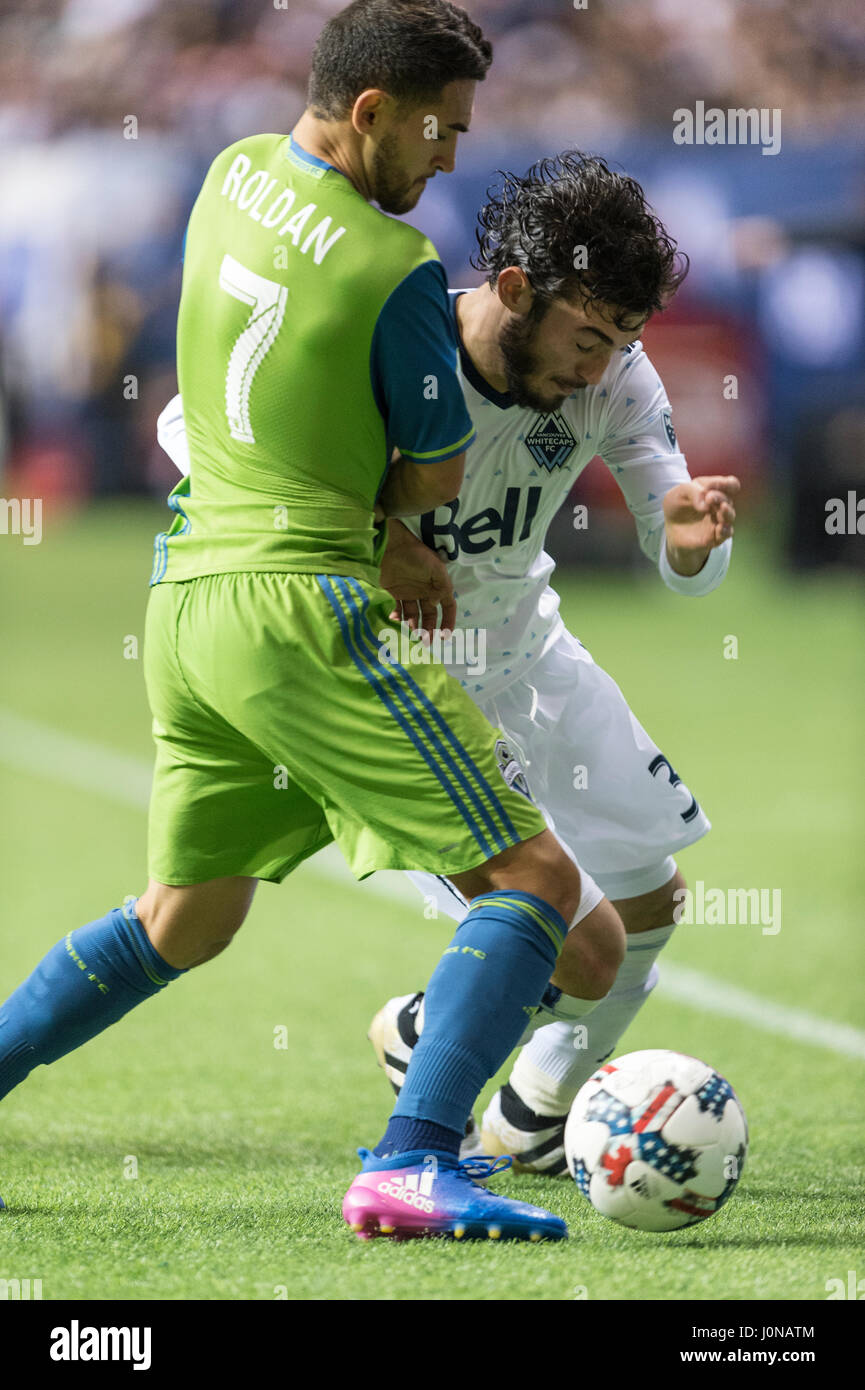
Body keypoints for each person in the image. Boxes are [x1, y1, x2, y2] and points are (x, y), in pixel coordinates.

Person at [0, 4, 624, 1244]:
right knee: (538, 878)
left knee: (187, 914)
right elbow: (436, 475)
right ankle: (412, 1159)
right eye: (440, 129)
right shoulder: (392, 267)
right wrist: (389, 522)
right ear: (374, 110)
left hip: (187, 601)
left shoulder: (230, 172)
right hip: (301, 608)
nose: (450, 157)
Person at [359, 152, 739, 1173]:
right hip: (404, 677)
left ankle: (529, 1108)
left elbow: (677, 528)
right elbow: (216, 436)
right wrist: (382, 537)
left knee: (651, 905)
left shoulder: (614, 371)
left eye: (623, 339)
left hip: (529, 653)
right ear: (516, 290)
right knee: (564, 920)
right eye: (587, 335)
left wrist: (692, 544)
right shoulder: (397, 337)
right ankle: (439, 1050)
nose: (600, 364)